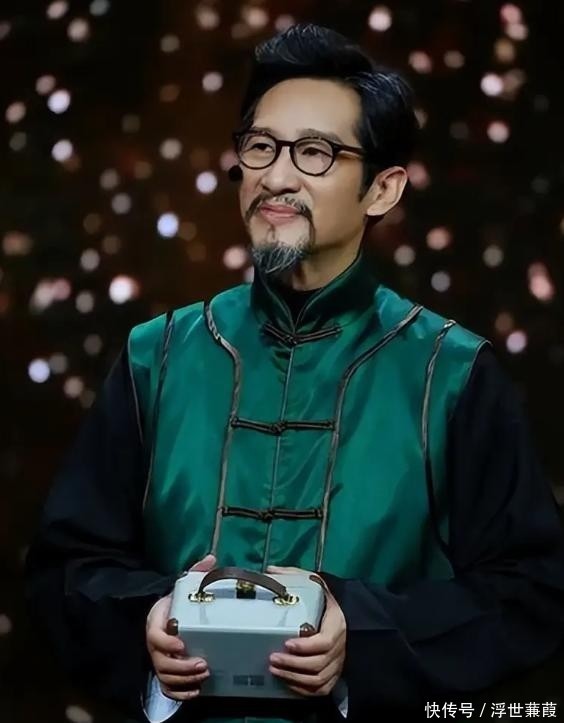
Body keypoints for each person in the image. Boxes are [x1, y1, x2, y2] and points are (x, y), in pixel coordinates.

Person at [24, 22, 564, 723]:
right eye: (260, 147)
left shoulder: (452, 371)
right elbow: (64, 569)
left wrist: (359, 632)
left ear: (382, 189)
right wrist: (146, 619)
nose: (276, 178)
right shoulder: (156, 355)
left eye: (315, 152)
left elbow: (533, 591)